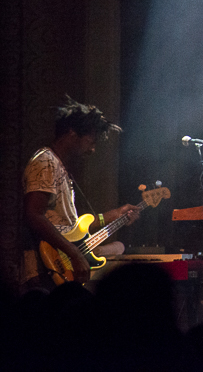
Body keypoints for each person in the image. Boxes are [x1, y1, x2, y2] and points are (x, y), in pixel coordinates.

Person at [22, 96, 142, 289]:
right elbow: (33, 215)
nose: (93, 149)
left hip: (61, 261)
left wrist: (117, 214)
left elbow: (70, 226)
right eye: (91, 141)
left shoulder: (59, 165)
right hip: (46, 266)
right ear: (71, 133)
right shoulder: (45, 161)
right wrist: (75, 254)